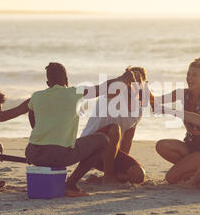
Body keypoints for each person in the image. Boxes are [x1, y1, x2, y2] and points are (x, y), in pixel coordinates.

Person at [25, 62, 135, 197]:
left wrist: (43, 136)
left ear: (48, 83)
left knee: (54, 149)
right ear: (66, 80)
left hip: (33, 153)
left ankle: (59, 177)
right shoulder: (74, 93)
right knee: (102, 140)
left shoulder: (36, 96)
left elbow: (31, 114)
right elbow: (104, 87)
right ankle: (70, 184)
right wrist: (124, 78)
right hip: (60, 155)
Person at [152, 58, 200, 184]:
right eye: (188, 74)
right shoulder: (183, 94)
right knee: (161, 146)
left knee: (171, 178)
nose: (189, 78)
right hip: (189, 144)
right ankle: (197, 170)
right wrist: (140, 88)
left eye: (194, 75)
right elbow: (156, 101)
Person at [80, 66, 148, 184]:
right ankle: (108, 177)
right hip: (88, 148)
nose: (133, 83)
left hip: (107, 155)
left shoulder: (139, 109)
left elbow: (127, 140)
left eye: (137, 80)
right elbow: (107, 87)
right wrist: (123, 79)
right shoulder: (113, 93)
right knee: (114, 129)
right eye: (131, 79)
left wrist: (121, 167)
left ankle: (103, 178)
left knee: (138, 175)